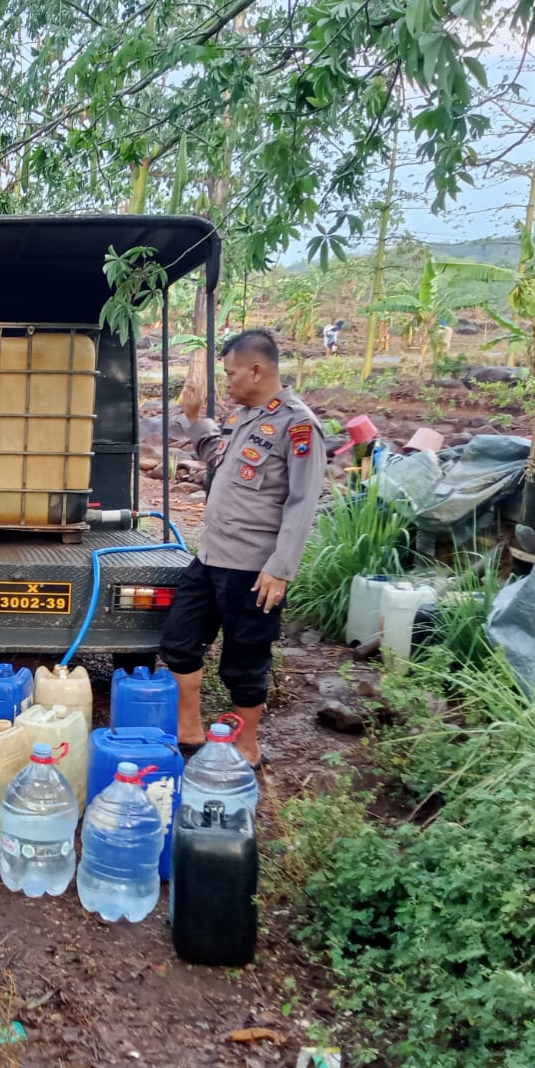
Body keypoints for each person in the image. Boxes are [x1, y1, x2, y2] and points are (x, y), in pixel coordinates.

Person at [160, 329, 327, 770]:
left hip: (254, 568)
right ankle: (189, 732)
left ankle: (246, 748)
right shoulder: (246, 417)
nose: (227, 381)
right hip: (210, 557)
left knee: (245, 659)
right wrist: (194, 419)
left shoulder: (298, 425)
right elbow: (217, 458)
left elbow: (302, 501)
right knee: (179, 641)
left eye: (231, 373)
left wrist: (281, 567)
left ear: (256, 370)